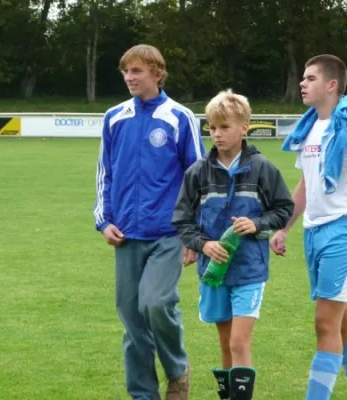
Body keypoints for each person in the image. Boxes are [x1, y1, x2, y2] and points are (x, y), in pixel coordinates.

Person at [270, 54, 347, 400]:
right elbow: (306, 184)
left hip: (346, 230)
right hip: (314, 231)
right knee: (343, 323)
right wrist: (285, 227)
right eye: (303, 78)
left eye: (310, 78)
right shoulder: (310, 127)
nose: (302, 84)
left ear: (331, 85)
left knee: (325, 323)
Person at [93, 44, 205, 400]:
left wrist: (194, 235)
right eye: (126, 71)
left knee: (156, 303)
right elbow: (104, 173)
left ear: (158, 73)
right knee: (132, 318)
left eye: (137, 71)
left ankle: (177, 369)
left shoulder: (179, 117)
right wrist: (103, 220)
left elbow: (197, 178)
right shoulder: (114, 117)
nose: (129, 77)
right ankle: (143, 394)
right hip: (124, 234)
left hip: (168, 234)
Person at [172, 89, 294, 400]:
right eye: (212, 128)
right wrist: (202, 244)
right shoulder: (197, 172)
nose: (217, 134)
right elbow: (182, 220)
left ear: (244, 127)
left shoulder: (262, 168)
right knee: (226, 343)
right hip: (214, 272)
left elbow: (284, 208)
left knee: (240, 343)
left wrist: (258, 224)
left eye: (225, 127)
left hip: (250, 270)